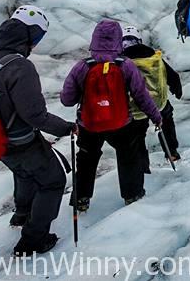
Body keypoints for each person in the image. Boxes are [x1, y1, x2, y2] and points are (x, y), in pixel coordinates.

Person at [0, 5, 75, 256]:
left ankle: (22, 214)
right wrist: (66, 128)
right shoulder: (19, 66)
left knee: (23, 173)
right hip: (20, 140)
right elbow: (35, 115)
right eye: (37, 38)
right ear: (29, 36)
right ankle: (33, 240)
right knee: (53, 181)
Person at [61, 19, 162, 209]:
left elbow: (67, 100)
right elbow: (141, 95)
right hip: (121, 123)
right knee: (128, 156)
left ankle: (81, 199)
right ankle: (132, 195)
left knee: (86, 160)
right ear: (118, 40)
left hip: (89, 125)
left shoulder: (83, 66)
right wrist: (156, 116)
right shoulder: (126, 65)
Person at [120, 25, 182, 166]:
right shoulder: (153, 56)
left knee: (137, 133)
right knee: (166, 118)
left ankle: (142, 164)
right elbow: (172, 75)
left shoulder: (121, 62)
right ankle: (171, 152)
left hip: (134, 106)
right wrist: (176, 89)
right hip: (157, 102)